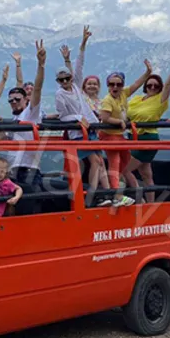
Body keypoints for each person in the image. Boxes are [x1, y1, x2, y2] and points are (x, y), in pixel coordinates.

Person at [53, 26, 110, 208]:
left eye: (67, 78)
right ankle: (91, 196)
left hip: (90, 128)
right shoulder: (59, 95)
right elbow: (63, 117)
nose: (65, 82)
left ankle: (108, 194)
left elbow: (79, 65)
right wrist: (79, 117)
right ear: (57, 82)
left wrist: (83, 43)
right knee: (94, 161)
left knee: (99, 161)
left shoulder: (77, 86)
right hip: (78, 132)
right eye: (61, 80)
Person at [125, 50, 170, 203]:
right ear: (146, 86)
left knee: (124, 170)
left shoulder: (160, 100)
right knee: (146, 173)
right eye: (150, 85)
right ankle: (151, 204)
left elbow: (169, 83)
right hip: (132, 137)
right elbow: (125, 114)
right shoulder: (137, 99)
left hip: (147, 138)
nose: (152, 87)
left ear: (159, 88)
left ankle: (139, 200)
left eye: (155, 86)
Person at [98, 59, 151, 207]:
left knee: (126, 159)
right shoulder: (107, 100)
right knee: (114, 162)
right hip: (109, 135)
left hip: (119, 135)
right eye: (112, 84)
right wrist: (119, 122)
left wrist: (147, 73)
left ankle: (112, 186)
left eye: (119, 84)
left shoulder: (123, 94)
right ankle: (115, 194)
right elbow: (104, 117)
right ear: (108, 86)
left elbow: (135, 85)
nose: (115, 87)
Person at [4, 39, 47, 214]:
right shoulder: (12, 120)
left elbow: (37, 89)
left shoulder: (30, 113)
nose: (14, 102)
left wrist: (41, 64)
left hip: (28, 169)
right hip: (12, 168)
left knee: (29, 209)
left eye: (17, 99)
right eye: (11, 100)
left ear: (25, 100)